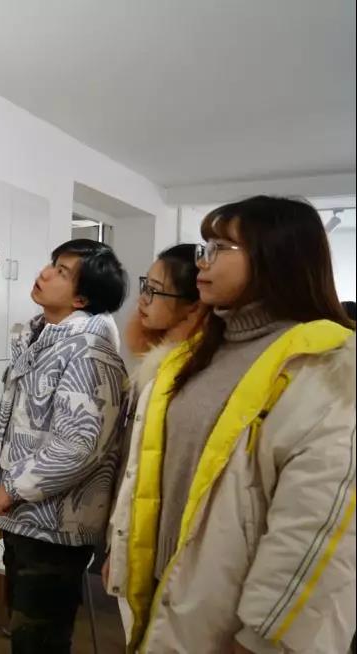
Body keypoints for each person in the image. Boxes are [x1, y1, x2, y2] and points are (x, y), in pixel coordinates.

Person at [106, 196, 356, 653]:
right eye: (205, 246)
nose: (203, 261)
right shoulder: (193, 356)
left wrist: (263, 636)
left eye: (220, 248)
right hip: (171, 586)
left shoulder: (324, 366)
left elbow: (315, 524)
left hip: (240, 612)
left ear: (274, 256)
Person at [0, 238, 129, 654]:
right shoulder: (43, 338)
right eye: (52, 264)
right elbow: (16, 418)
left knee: (39, 640)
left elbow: (79, 445)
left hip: (55, 528)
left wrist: (12, 487)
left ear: (81, 299)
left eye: (62, 272)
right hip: (26, 519)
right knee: (26, 634)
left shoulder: (90, 354)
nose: (45, 274)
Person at [102, 243, 207, 633]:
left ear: (193, 307)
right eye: (145, 285)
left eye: (156, 291)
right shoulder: (155, 364)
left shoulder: (188, 374)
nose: (143, 300)